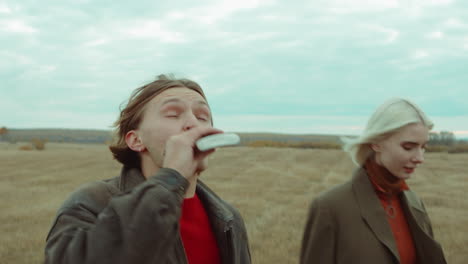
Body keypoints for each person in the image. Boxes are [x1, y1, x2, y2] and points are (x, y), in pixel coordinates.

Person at [45, 74, 251, 264]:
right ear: (136, 140)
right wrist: (172, 177)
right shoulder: (91, 203)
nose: (193, 123)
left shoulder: (228, 217)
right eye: (173, 114)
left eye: (202, 116)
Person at [300, 98, 447, 264]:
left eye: (423, 147)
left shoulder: (415, 204)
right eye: (408, 147)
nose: (420, 158)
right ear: (376, 143)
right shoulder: (330, 208)